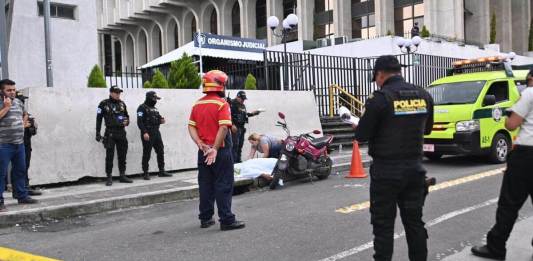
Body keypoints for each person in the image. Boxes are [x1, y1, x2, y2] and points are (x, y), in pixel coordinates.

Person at [353, 56, 434, 261]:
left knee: (383, 228)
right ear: (399, 71)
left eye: (376, 78)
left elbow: (361, 135)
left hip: (386, 173)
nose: (377, 82)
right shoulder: (424, 95)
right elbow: (429, 128)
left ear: (380, 74)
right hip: (415, 170)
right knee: (415, 223)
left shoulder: (380, 98)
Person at [471, 69, 533, 260]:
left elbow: (512, 124)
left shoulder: (530, 93)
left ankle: (496, 247)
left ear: (531, 79)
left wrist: (507, 115)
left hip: (526, 155)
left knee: (509, 203)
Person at [188, 70, 245, 231]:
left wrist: (200, 143)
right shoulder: (222, 104)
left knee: (205, 185)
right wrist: (214, 148)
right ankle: (226, 220)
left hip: (203, 151)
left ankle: (205, 218)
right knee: (224, 184)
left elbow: (191, 126)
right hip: (220, 151)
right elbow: (224, 128)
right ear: (220, 85)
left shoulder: (197, 104)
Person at [0, 79, 38, 212]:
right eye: (8, 90)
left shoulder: (18, 102)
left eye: (13, 89)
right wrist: (6, 107)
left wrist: (22, 123)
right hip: (3, 144)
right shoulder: (2, 103)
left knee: (20, 170)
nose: (12, 92)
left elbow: (25, 113)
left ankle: (21, 195)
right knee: (1, 173)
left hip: (19, 144)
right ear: (2, 91)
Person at [96, 86, 133, 186]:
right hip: (110, 133)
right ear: (111, 93)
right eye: (116, 93)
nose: (118, 94)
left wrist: (127, 122)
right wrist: (98, 133)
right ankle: (109, 177)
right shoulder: (103, 104)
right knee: (109, 156)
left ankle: (122, 175)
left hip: (121, 132)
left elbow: (127, 117)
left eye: (119, 93)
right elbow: (98, 119)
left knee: (122, 155)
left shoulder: (122, 104)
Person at [137, 91, 172, 180]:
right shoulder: (141, 108)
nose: (156, 100)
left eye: (156, 99)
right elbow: (140, 121)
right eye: (154, 98)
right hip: (147, 133)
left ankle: (161, 171)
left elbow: (159, 118)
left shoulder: (155, 109)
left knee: (160, 151)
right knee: (147, 153)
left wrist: (161, 120)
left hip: (156, 132)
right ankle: (145, 172)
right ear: (149, 98)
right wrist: (144, 132)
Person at [230, 91, 260, 163]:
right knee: (235, 146)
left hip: (242, 128)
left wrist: (253, 113)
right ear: (238, 97)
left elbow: (245, 115)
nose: (243, 100)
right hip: (235, 128)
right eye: (242, 99)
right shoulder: (232, 104)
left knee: (240, 145)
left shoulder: (242, 105)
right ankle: (233, 163)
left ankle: (238, 161)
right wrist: (232, 124)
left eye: (244, 99)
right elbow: (228, 114)